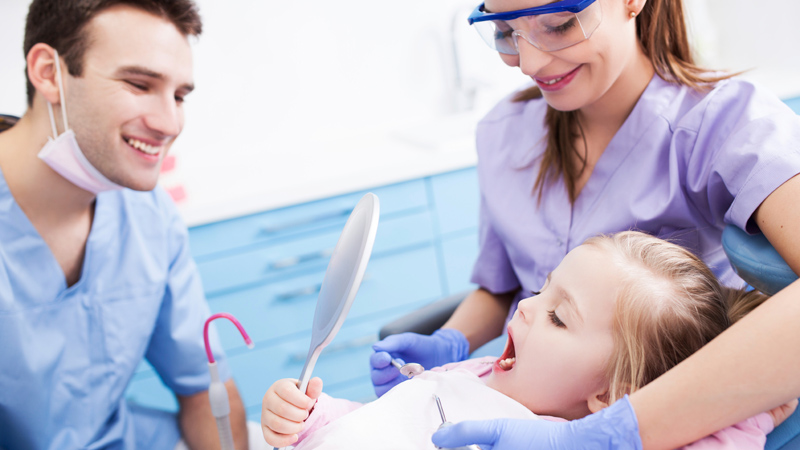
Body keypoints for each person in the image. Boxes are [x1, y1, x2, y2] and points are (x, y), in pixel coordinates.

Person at [370, 0, 800, 447]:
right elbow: (502, 287)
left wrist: (616, 434)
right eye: (504, 31)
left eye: (559, 24)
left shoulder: (728, 125)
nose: (528, 62)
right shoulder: (504, 131)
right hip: (501, 405)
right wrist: (452, 340)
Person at [263, 232, 796, 450]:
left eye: (559, 318)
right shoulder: (478, 377)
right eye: (542, 289)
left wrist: (758, 413)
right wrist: (315, 416)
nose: (526, 306)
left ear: (610, 397)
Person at [0, 1, 251, 448]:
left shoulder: (148, 216)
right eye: (139, 84)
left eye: (179, 96)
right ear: (48, 72)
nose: (170, 123)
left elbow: (203, 391)